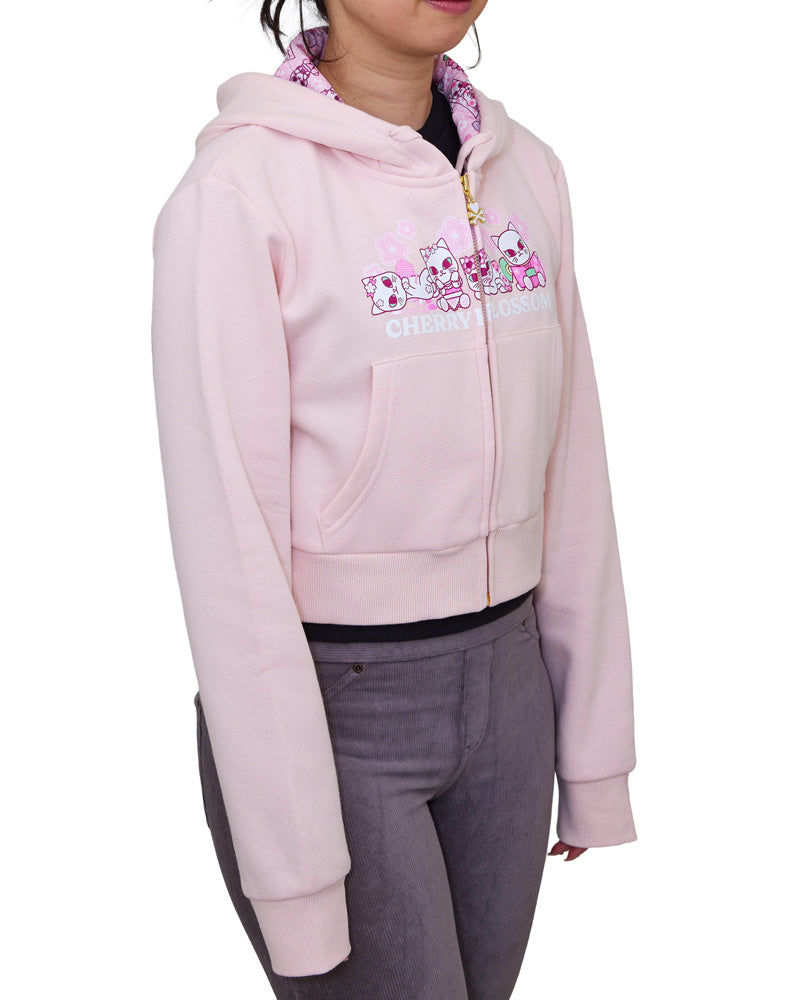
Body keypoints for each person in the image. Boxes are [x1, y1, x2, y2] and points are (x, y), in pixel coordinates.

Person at [150, 1, 638, 997]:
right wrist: (292, 870)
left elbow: (573, 463)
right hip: (336, 711)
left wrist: (593, 753)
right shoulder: (238, 192)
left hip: (512, 698)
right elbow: (227, 544)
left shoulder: (527, 171)